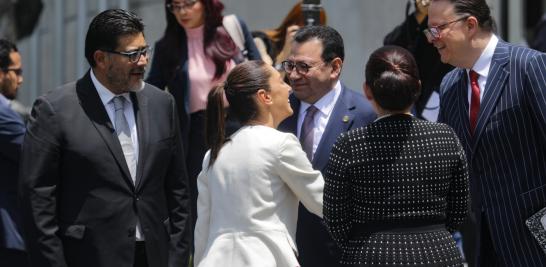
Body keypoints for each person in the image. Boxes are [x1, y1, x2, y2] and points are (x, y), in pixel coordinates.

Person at [19, 9, 191, 267]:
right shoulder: (54, 110)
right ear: (100, 58)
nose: (143, 61)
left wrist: (177, 257)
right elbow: (37, 203)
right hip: (89, 256)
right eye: (133, 54)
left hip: (156, 254)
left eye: (145, 51)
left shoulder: (162, 104)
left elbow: (178, 190)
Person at [323, 45, 469, 266]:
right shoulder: (445, 137)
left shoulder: (350, 145)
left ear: (367, 90)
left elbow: (335, 219)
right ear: (417, 88)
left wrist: (364, 242)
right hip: (439, 254)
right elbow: (459, 210)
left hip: (371, 255)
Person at [427, 0, 546, 266]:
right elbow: (451, 165)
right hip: (481, 244)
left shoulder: (529, 66)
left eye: (438, 29)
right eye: (429, 31)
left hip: (534, 240)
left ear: (470, 25)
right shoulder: (450, 85)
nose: (432, 39)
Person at [193, 60, 324, 267]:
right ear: (265, 96)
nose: (289, 87)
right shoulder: (281, 144)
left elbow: (202, 226)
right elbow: (323, 201)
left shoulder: (214, 154)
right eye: (281, 81)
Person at [146, 0, 261, 229]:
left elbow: (260, 73)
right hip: (196, 135)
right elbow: (151, 93)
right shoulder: (167, 47)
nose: (182, 12)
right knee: (203, 209)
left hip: (240, 126)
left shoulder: (233, 29)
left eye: (189, 4)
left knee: (245, 199)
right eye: (175, 6)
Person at [277, 26, 376, 267]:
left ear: (335, 67)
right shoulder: (278, 111)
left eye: (304, 67)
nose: (294, 75)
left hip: (342, 252)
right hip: (286, 249)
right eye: (290, 66)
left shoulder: (365, 115)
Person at [384, 0, 453, 120]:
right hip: (421, 95)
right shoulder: (422, 22)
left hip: (449, 87)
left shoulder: (456, 14)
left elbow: (441, 39)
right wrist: (420, 13)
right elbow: (391, 44)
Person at [0, 39, 29, 267]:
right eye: (16, 71)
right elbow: (36, 156)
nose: (20, 79)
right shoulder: (3, 115)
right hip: (8, 231)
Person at [252, 1, 327, 68]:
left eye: (315, 31)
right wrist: (286, 49)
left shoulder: (316, 53)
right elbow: (269, 80)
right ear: (292, 23)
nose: (307, 35)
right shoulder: (263, 42)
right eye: (302, 28)